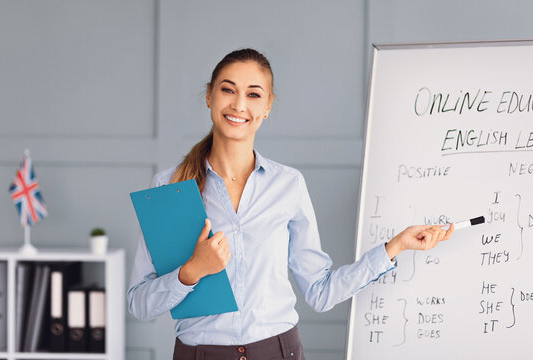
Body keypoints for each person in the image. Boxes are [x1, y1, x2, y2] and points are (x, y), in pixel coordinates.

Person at [127, 48, 454, 360]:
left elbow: (321, 292)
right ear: (210, 95)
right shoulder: (170, 187)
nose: (239, 104)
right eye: (229, 90)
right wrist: (191, 272)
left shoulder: (288, 185)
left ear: (267, 106)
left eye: (254, 94)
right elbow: (140, 304)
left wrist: (394, 247)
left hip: (279, 352)